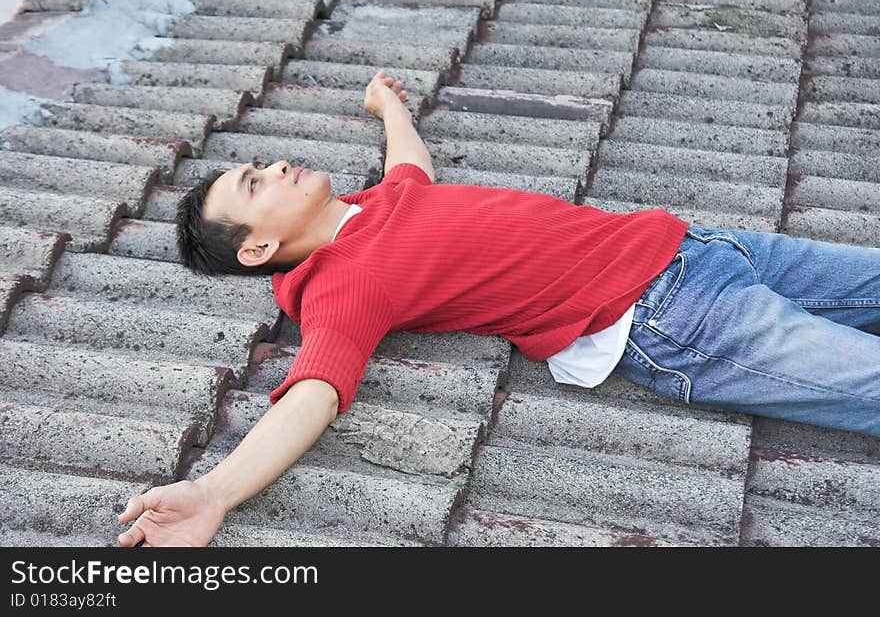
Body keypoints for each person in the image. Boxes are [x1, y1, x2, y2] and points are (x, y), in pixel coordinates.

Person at [117, 69, 880, 547]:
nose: (274, 166)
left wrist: (388, 109)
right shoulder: (340, 285)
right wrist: (213, 491)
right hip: (673, 319)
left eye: (257, 165)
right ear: (256, 250)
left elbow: (411, 168)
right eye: (256, 185)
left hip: (700, 248)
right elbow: (314, 390)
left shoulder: (371, 206)